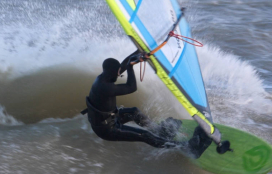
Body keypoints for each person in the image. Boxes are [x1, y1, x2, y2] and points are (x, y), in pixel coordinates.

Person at [83, 51, 222, 157]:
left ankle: (159, 132)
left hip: (110, 118)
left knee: (134, 112)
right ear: (112, 73)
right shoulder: (104, 87)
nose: (120, 74)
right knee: (144, 136)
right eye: (119, 73)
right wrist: (131, 68)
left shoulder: (105, 77)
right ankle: (186, 147)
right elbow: (131, 87)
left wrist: (138, 52)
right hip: (106, 129)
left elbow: (122, 66)